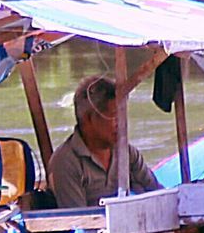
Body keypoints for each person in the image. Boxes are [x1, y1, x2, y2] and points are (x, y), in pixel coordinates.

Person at [48, 74, 162, 207]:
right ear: (88, 120)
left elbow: (156, 192)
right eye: (114, 116)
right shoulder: (66, 162)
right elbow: (78, 222)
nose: (121, 124)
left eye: (123, 115)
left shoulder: (127, 153)